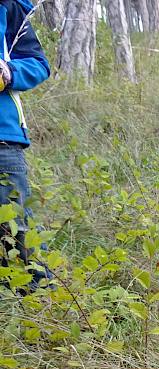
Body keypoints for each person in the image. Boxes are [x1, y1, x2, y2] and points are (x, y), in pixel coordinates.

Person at [0, 0, 53, 293]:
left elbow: (37, 63)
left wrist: (9, 71)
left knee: (16, 234)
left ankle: (40, 314)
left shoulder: (9, 7)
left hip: (3, 140)